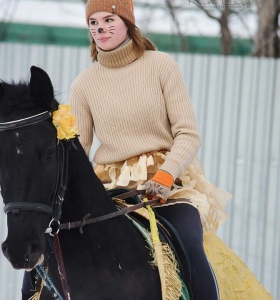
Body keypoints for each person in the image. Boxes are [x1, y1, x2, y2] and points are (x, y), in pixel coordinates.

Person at [69, 0, 230, 299]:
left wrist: (167, 176)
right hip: (109, 187)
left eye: (109, 19)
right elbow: (78, 149)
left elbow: (188, 133)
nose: (100, 28)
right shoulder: (83, 85)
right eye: (93, 22)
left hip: (167, 184)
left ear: (128, 22)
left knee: (189, 245)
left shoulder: (161, 65)